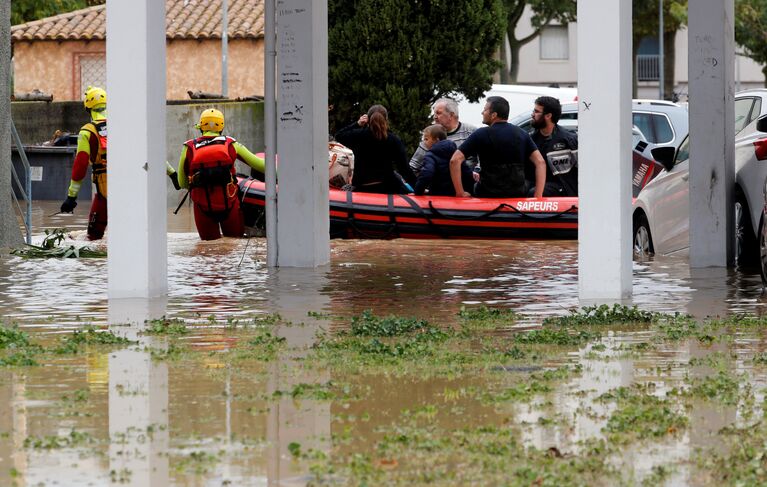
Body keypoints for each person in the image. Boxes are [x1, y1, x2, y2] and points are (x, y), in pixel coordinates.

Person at [177, 108, 265, 240]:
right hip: (230, 205)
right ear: (221, 126)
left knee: (210, 252)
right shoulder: (231, 144)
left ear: (201, 126)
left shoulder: (188, 147)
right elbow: (261, 165)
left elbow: (182, 183)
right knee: (233, 247)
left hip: (202, 208)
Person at [450, 96, 546, 198]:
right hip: (517, 194)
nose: (482, 113)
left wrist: (460, 193)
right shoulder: (522, 133)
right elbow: (540, 162)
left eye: (485, 110)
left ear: (494, 115)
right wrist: (538, 196)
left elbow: (454, 160)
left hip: (486, 193)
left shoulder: (481, 134)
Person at [59, 86, 110, 240]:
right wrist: (171, 172)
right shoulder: (125, 125)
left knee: (93, 237)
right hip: (129, 188)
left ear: (88, 108)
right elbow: (150, 151)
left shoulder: (87, 132)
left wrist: (71, 197)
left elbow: (80, 167)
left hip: (105, 192)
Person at [334, 105, 415, 194]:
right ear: (386, 120)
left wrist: (358, 123)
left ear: (368, 119)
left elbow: (339, 135)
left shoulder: (358, 135)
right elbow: (404, 168)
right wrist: (419, 188)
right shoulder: (393, 140)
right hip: (388, 187)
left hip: (362, 187)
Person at [409, 98, 478, 177]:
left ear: (451, 115)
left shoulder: (470, 131)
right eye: (434, 114)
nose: (434, 117)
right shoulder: (430, 135)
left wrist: (476, 174)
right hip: (437, 186)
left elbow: (483, 160)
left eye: (438, 113)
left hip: (467, 184)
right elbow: (413, 166)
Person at [528, 96, 578, 196]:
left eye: (537, 112)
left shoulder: (569, 140)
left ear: (548, 116)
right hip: (537, 185)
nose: (533, 115)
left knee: (534, 192)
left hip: (564, 190)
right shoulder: (531, 139)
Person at [413, 124, 473, 196]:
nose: (424, 142)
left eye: (426, 139)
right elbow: (466, 172)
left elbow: (427, 173)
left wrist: (418, 191)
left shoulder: (430, 155)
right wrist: (468, 191)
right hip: (455, 193)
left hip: (438, 195)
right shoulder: (455, 152)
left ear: (437, 140)